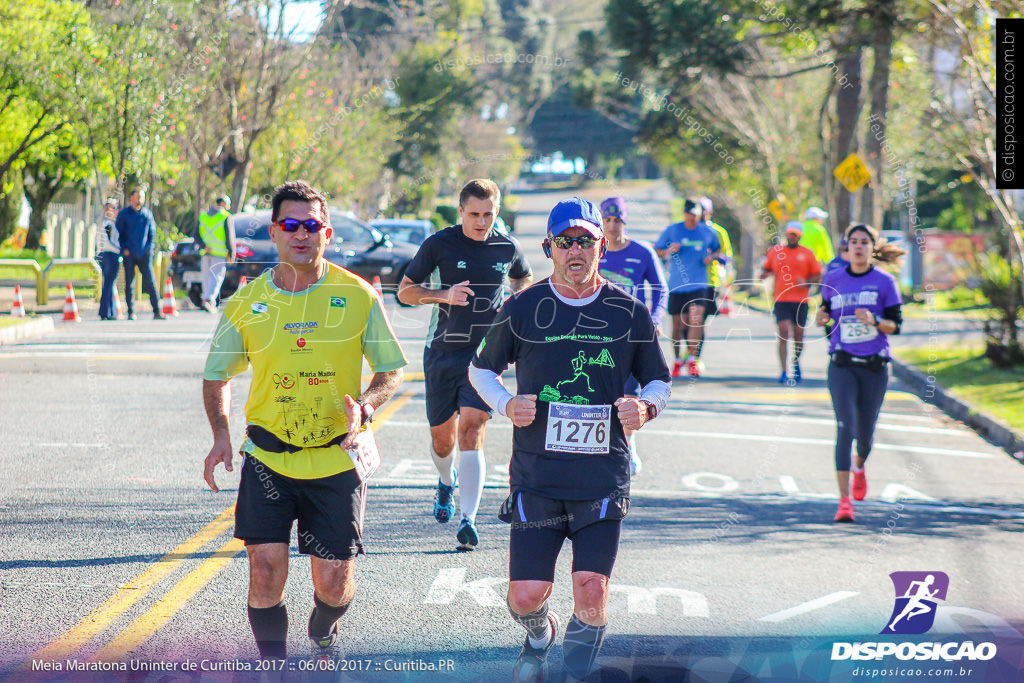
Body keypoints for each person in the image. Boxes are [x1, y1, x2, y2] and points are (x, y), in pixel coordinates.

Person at [202, 181, 407, 667]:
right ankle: (273, 666)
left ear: (327, 233)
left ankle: (323, 630)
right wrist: (220, 437)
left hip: (336, 458)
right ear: (274, 232)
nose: (301, 234)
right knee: (266, 572)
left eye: (311, 225)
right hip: (269, 458)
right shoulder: (246, 303)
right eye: (290, 225)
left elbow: (391, 369)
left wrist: (369, 405)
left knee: (333, 583)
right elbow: (216, 376)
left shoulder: (357, 296)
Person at [469, 197, 671, 682]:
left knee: (592, 589)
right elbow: (480, 369)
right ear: (549, 248)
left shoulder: (629, 311)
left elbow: (659, 380)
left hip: (601, 476)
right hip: (538, 476)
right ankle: (539, 633)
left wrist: (644, 407)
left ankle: (575, 673)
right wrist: (505, 404)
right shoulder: (524, 306)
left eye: (585, 239)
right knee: (524, 596)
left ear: (601, 245)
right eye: (565, 241)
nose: (575, 249)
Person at [397, 179, 533, 550]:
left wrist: (514, 304)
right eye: (473, 214)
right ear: (460, 212)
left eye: (488, 214)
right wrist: (444, 294)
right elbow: (405, 291)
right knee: (443, 440)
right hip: (441, 353)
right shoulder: (439, 244)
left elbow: (524, 277)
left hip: (484, 357)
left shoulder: (507, 246)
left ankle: (468, 520)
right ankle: (446, 481)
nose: (481, 221)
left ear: (497, 213)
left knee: (471, 430)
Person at [814, 223, 905, 523]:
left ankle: (860, 466)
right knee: (845, 428)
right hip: (842, 364)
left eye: (864, 242)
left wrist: (875, 320)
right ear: (847, 247)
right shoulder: (834, 278)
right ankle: (844, 501)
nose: (858, 246)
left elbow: (896, 326)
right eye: (853, 241)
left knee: (865, 434)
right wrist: (821, 318)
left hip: (875, 367)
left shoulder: (885, 281)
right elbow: (826, 318)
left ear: (872, 248)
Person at [597, 196, 668, 476]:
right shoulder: (594, 250)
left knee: (629, 396)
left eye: (618, 220)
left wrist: (655, 318)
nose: (612, 226)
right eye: (608, 220)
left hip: (631, 336)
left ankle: (628, 443)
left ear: (625, 222)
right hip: (596, 335)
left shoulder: (642, 252)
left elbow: (661, 289)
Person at [654, 198, 721, 378]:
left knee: (696, 319)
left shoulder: (708, 231)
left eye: (695, 215)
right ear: (684, 214)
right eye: (689, 215)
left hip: (700, 283)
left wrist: (711, 257)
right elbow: (657, 250)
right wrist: (669, 251)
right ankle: (676, 360)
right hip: (676, 284)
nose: (692, 218)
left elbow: (717, 250)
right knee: (679, 323)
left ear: (700, 214)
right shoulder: (672, 230)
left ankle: (693, 359)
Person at [760, 221, 822, 383]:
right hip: (781, 299)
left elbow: (817, 275)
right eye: (789, 234)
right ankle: (783, 370)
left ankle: (795, 362)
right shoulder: (775, 252)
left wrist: (807, 282)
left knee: (799, 336)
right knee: (784, 333)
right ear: (786, 234)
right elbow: (767, 268)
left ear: (800, 236)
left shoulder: (807, 254)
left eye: (795, 234)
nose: (792, 237)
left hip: (800, 300)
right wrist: (764, 274)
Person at [116, 188, 165, 320]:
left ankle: (157, 311)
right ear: (131, 198)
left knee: (151, 282)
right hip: (129, 254)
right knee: (129, 283)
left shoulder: (147, 214)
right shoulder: (124, 214)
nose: (140, 200)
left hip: (144, 254)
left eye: (142, 197)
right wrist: (124, 249)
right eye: (138, 197)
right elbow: (118, 234)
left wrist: (150, 249)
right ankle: (131, 311)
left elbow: (152, 234)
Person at [195, 194, 236, 312]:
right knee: (216, 277)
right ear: (223, 203)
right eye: (228, 203)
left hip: (206, 252)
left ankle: (208, 301)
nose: (229, 206)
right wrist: (231, 253)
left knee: (207, 277)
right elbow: (229, 237)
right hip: (219, 252)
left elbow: (196, 235)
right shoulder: (225, 216)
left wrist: (204, 246)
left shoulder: (203, 216)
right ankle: (208, 300)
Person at [699, 196, 734, 321]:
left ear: (710, 211)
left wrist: (714, 256)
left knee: (700, 318)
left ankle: (697, 340)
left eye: (704, 210)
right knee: (684, 319)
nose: (701, 213)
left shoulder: (718, 232)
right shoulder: (685, 230)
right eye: (699, 209)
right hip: (686, 281)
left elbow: (727, 257)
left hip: (710, 281)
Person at [95, 199, 121, 321]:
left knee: (109, 284)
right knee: (109, 284)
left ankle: (109, 311)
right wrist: (120, 250)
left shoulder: (104, 223)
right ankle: (105, 311)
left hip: (104, 254)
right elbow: (110, 242)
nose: (116, 210)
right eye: (113, 208)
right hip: (110, 255)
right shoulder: (108, 224)